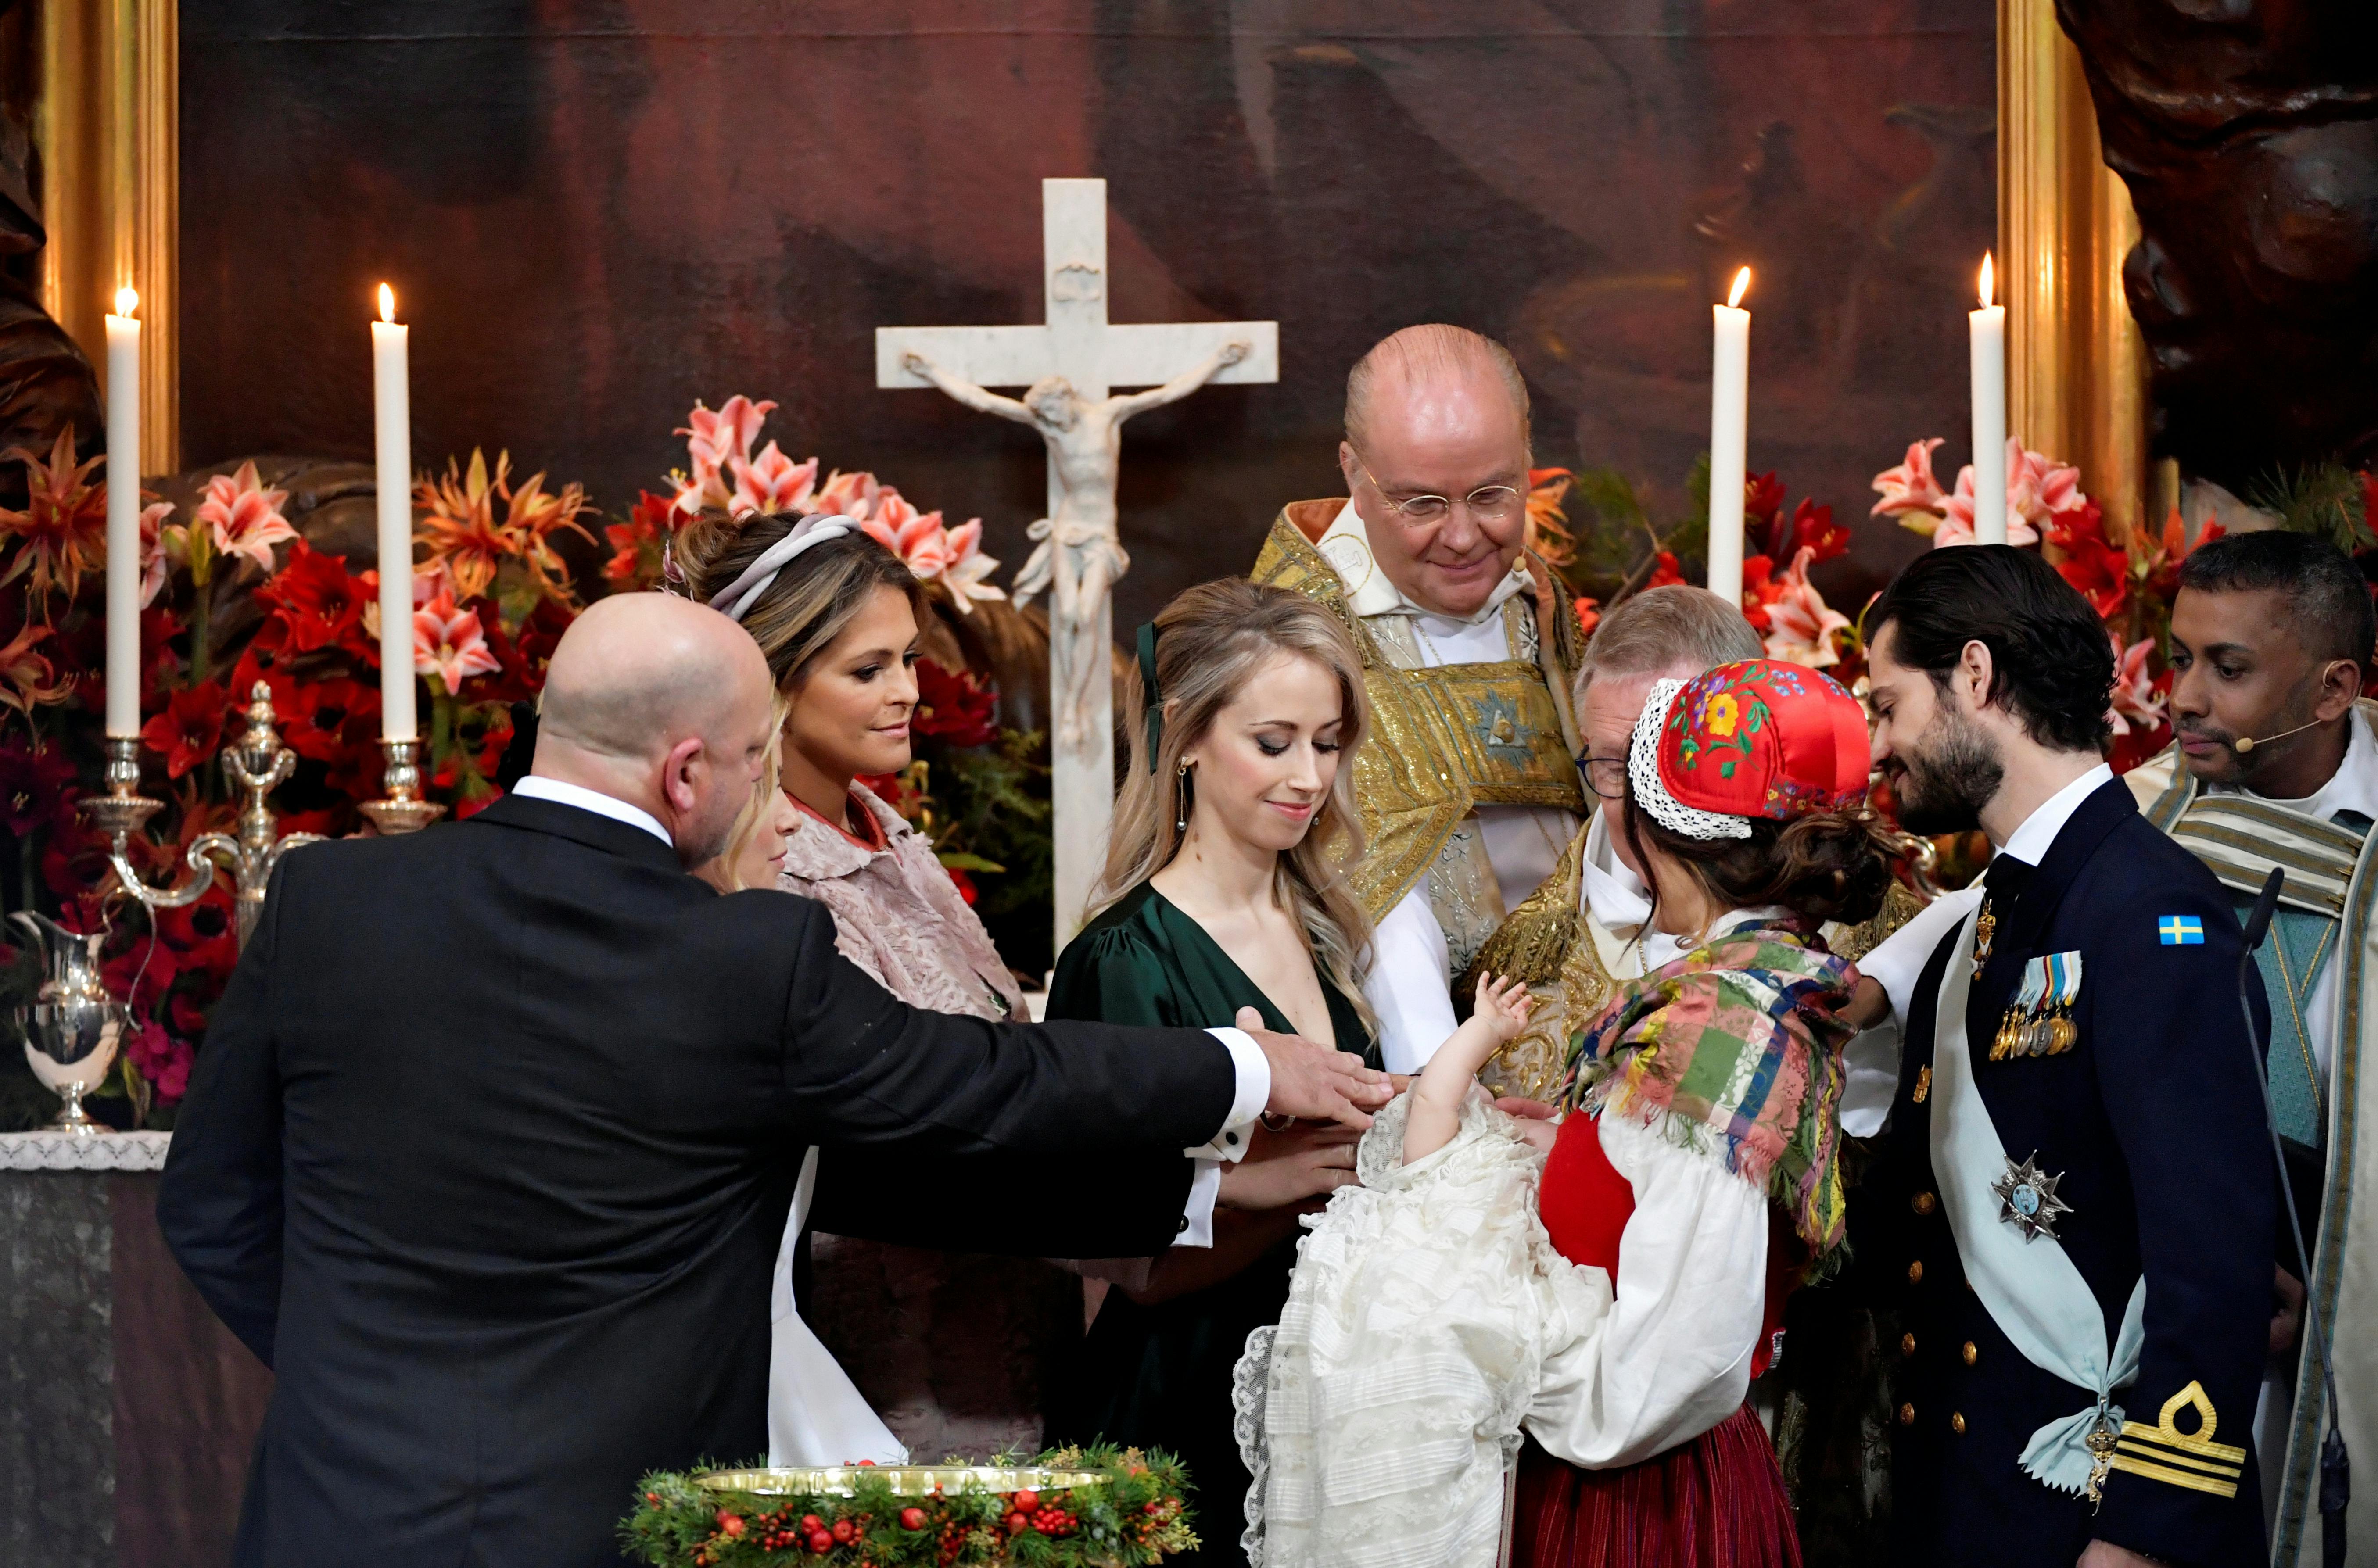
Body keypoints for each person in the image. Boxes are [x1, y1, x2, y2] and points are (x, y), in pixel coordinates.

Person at [154, 591, 1391, 1568]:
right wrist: (1243, 1061)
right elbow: (981, 1082)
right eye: (754, 760)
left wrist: (348, 1374)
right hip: (623, 1524)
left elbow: (208, 1204)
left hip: (340, 1517)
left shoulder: (329, 899)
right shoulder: (737, 955)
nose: (766, 797)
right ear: (685, 770)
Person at [1239, 657, 1895, 1568]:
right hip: (1633, 1471)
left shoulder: (1719, 1026)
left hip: (1637, 1496)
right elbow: (1647, 1207)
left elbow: (1677, 1356)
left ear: (1650, 832)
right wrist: (1563, 1142)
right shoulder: (1756, 987)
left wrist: (1477, 1340)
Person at [1865, 544, 2275, 1568]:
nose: (1878, 746)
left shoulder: (2152, 909)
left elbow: (2212, 1266)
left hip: (2089, 1522)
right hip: (1973, 1503)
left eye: (1886, 705)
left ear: (1972, 675)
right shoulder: (1998, 917)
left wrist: (2143, 1534)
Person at [1042, 579, 1393, 1567]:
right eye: (1273, 742)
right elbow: (1127, 1261)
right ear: (1187, 737)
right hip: (1179, 1403)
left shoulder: (1323, 925)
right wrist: (1305, 1177)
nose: (1309, 776)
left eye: (1327, 742)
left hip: (1316, 1390)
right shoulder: (1121, 960)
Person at [2120, 528, 2378, 1562]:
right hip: (2165, 1303)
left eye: (2226, 669)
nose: (2181, 695)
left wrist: (2339, 1288)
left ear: (2331, 690)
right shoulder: (2146, 815)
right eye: (2178, 656)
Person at [1251, 324, 1589, 1073]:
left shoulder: (1537, 596)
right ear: (1354, 475)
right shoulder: (1296, 637)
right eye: (1423, 503)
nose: (1465, 537)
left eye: (1494, 494)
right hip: (1419, 1052)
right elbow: (1377, 906)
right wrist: (1445, 1103)